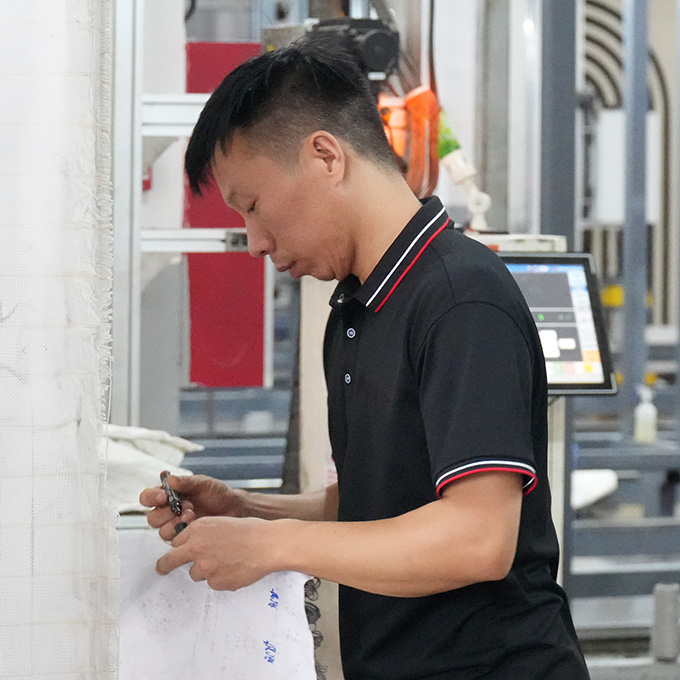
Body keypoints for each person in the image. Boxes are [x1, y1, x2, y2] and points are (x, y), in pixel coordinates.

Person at [139, 36, 590, 680]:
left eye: (255, 207)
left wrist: (271, 546)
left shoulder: (462, 300)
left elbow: (477, 539)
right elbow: (386, 502)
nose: (255, 243)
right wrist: (251, 510)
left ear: (326, 155)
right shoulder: (356, 307)